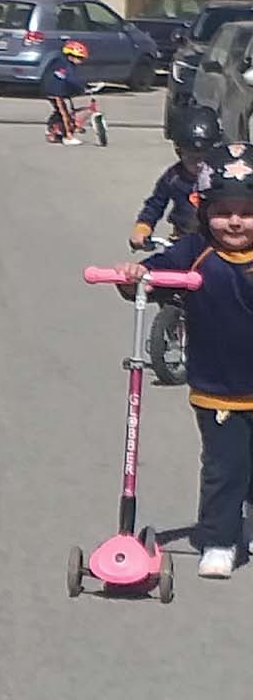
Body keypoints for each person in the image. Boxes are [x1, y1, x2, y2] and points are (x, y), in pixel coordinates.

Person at [125, 142, 253, 579]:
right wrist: (138, 276)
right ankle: (219, 540)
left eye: (247, 212)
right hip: (219, 388)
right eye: (223, 211)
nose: (234, 221)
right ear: (204, 210)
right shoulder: (195, 250)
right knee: (225, 467)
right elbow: (156, 271)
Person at [132, 104, 222, 249]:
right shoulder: (173, 177)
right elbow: (155, 205)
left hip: (219, 242)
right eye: (191, 158)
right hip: (182, 240)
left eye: (204, 158)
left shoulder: (224, 176)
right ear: (180, 153)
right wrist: (143, 228)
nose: (198, 164)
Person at [42, 40, 90, 145]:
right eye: (79, 58)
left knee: (59, 112)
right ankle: (68, 137)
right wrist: (82, 88)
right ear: (70, 56)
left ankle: (52, 130)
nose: (81, 61)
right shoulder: (65, 65)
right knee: (64, 114)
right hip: (55, 92)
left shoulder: (61, 63)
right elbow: (71, 79)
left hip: (55, 90)